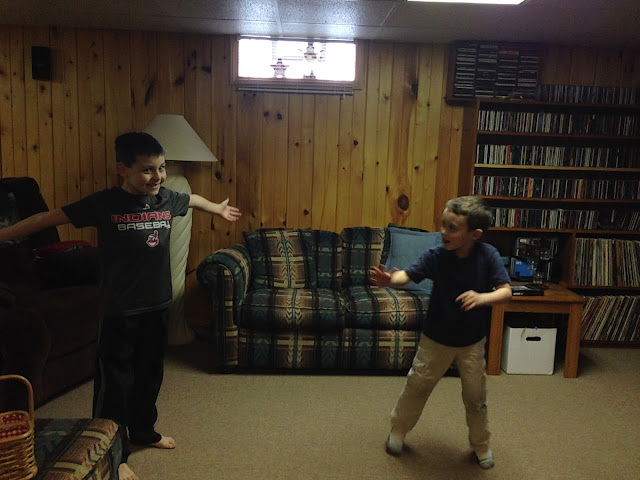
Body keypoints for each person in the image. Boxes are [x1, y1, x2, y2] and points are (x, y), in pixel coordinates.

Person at [0, 131, 241, 480]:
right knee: (115, 384)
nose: (157, 177)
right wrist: (4, 236)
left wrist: (217, 208)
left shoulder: (167, 198)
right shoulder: (104, 203)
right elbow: (46, 219)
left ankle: (144, 431)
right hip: (119, 311)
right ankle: (115, 452)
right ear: (122, 169)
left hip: (157, 306)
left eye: (161, 168)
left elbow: (192, 199)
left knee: (150, 375)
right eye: (147, 170)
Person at [370, 195, 511, 470]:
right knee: (417, 386)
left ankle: (481, 445)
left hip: (471, 342)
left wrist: (482, 297)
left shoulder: (488, 256)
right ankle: (398, 430)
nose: (443, 232)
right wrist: (391, 280)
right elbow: (407, 275)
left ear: (475, 234)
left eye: (452, 228)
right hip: (435, 338)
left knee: (475, 397)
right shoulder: (436, 255)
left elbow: (506, 293)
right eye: (443, 224)